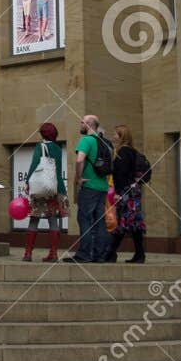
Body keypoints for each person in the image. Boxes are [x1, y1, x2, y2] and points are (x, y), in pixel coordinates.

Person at [64, 113, 112, 263]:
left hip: (89, 185)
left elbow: (80, 160)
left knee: (84, 218)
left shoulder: (86, 140)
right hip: (102, 186)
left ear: (89, 125)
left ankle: (84, 255)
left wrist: (78, 178)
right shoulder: (106, 143)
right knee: (100, 221)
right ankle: (100, 255)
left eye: (82, 122)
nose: (80, 125)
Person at [22, 121, 66, 262]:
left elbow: (35, 165)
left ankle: (28, 254)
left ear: (42, 134)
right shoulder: (58, 149)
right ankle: (53, 254)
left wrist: (27, 181)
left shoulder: (40, 146)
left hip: (41, 188)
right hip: (56, 188)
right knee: (53, 220)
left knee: (34, 219)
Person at [105, 124, 149, 263]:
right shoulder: (133, 151)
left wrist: (118, 192)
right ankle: (139, 254)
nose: (113, 136)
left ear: (121, 136)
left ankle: (111, 253)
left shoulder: (122, 152)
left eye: (116, 134)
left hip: (125, 191)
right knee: (134, 223)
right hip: (133, 190)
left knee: (123, 222)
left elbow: (120, 174)